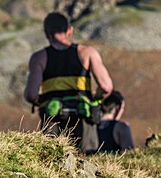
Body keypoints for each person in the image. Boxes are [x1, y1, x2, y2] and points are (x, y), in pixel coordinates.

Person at [24, 12, 114, 154]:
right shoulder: (88, 53)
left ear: (47, 34)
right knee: (87, 162)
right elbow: (106, 86)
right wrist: (96, 100)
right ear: (69, 31)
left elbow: (30, 94)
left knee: (52, 161)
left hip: (53, 119)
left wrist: (40, 101)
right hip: (83, 117)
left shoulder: (39, 58)